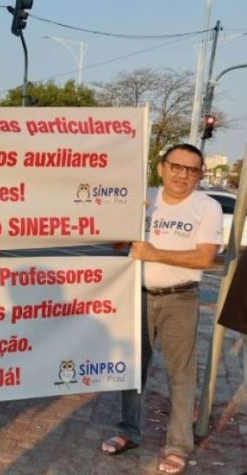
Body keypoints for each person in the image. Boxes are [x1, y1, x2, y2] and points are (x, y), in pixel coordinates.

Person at [101, 144, 223, 475]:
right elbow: (118, 244)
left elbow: (205, 257)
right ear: (161, 168)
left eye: (192, 170)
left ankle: (178, 445)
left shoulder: (207, 207)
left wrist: (155, 254)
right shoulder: (145, 198)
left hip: (180, 298)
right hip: (137, 295)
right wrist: (124, 225)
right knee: (132, 369)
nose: (183, 175)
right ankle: (129, 431)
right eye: (176, 167)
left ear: (200, 175)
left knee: (181, 374)